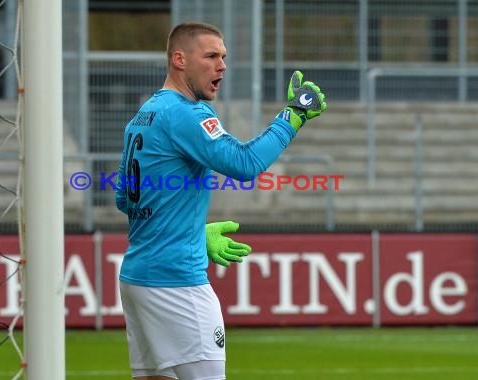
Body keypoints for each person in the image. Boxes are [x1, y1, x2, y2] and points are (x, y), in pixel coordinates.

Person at [116, 21, 327, 380]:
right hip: (177, 282)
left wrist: (192, 232)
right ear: (179, 60)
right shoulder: (186, 113)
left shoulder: (144, 114)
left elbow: (124, 198)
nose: (222, 65)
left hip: (138, 279)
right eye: (211, 56)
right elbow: (244, 164)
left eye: (224, 57)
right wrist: (293, 116)